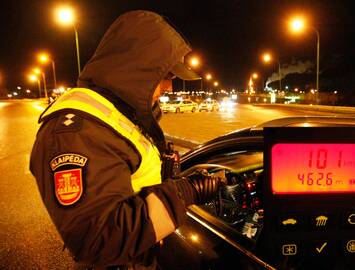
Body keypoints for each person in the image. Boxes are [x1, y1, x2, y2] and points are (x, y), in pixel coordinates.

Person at [30, 10, 220, 269]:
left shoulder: (116, 119)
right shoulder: (74, 133)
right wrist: (186, 191)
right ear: (138, 67)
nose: (169, 88)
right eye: (166, 76)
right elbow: (97, 241)